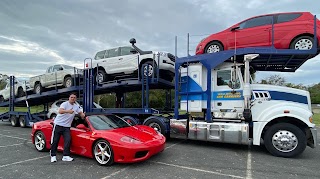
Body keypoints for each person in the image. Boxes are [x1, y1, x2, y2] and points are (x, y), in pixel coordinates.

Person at [50, 92, 85, 163]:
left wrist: (82, 115)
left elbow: (80, 112)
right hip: (58, 125)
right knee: (55, 141)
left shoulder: (76, 106)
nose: (73, 99)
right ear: (69, 98)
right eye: (71, 97)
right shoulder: (65, 104)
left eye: (74, 97)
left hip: (66, 127)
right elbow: (60, 111)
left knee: (68, 140)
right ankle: (53, 156)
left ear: (76, 99)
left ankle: (65, 156)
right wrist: (68, 111)